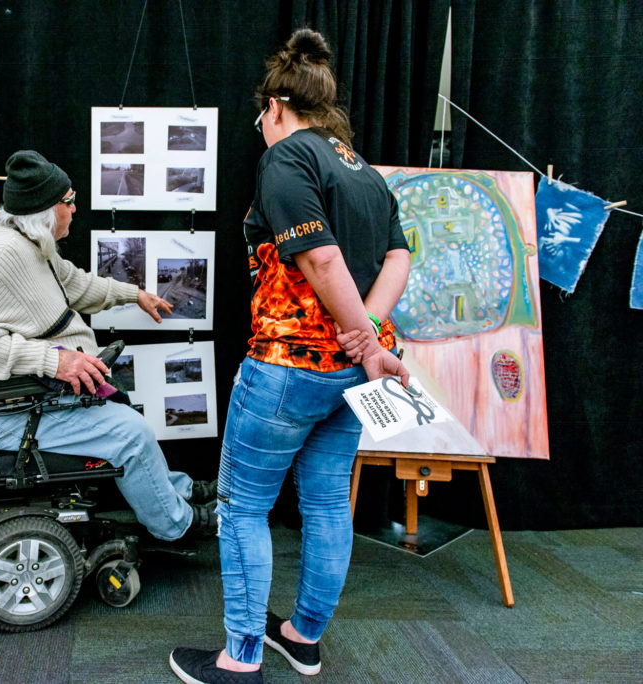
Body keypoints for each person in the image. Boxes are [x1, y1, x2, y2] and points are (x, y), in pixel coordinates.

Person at [170, 28, 411, 683]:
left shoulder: (287, 158)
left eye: (261, 119)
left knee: (243, 507)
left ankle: (240, 657)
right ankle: (302, 636)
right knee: (328, 504)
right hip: (350, 375)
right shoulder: (363, 170)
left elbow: (322, 259)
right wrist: (368, 335)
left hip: (289, 366)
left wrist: (362, 337)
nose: (261, 130)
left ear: (276, 106)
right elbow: (399, 256)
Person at [0, 150, 217, 542]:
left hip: (16, 402)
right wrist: (52, 361)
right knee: (130, 433)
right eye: (69, 201)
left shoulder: (28, 243)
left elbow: (74, 284)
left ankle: (179, 492)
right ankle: (176, 525)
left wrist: (133, 294)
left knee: (127, 422)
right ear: (45, 211)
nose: (74, 209)